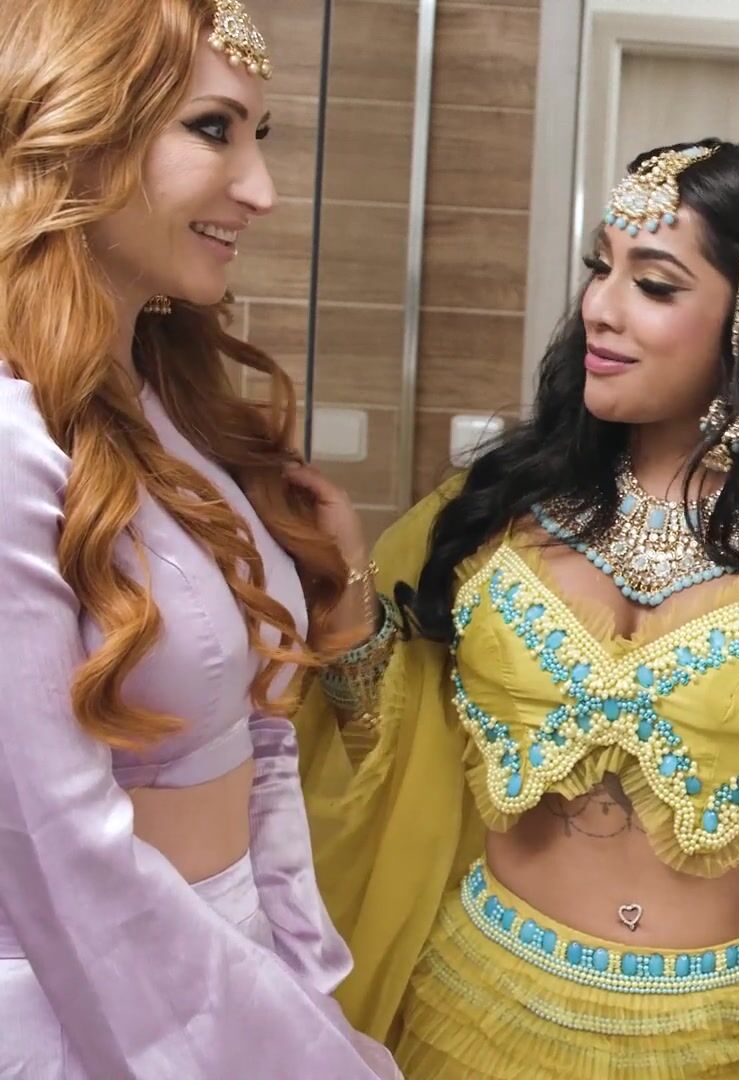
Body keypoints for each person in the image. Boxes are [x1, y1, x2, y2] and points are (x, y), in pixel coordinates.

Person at [294, 139, 739, 1079]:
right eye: (599, 268)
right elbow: (391, 753)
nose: (599, 308)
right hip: (478, 1017)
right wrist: (339, 598)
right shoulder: (501, 509)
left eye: (652, 284)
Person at [0, 0, 395, 1074]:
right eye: (213, 129)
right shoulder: (12, 442)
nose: (262, 191)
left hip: (235, 973)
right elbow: (55, 855)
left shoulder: (165, 406)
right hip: (101, 1013)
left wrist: (299, 975)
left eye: (258, 137)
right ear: (82, 126)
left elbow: (259, 739)